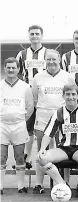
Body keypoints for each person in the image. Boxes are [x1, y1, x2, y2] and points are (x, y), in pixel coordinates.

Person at [36, 84, 78, 198]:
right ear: (63, 96)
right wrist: (42, 149)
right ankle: (62, 185)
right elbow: (48, 133)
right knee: (42, 158)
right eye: (67, 94)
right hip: (63, 149)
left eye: (73, 94)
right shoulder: (58, 112)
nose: (70, 97)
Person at [31, 49, 76, 194]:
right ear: (45, 60)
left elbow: (73, 96)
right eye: (48, 59)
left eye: (53, 59)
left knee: (64, 150)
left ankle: (65, 182)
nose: (51, 62)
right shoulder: (38, 77)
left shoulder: (67, 77)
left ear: (59, 60)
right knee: (41, 151)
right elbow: (35, 98)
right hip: (43, 118)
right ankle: (39, 184)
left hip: (63, 118)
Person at [0, 58, 34, 194]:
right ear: (4, 68)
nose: (11, 70)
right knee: (1, 157)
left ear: (18, 69)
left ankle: (21, 186)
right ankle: (0, 186)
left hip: (19, 125)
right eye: (8, 67)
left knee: (19, 156)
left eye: (13, 67)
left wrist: (20, 119)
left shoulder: (25, 87)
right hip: (2, 125)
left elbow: (30, 107)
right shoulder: (0, 85)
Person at [16, 25, 48, 169]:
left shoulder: (47, 53)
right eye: (32, 34)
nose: (35, 36)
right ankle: (27, 157)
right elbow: (18, 74)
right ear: (29, 36)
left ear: (42, 36)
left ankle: (46, 156)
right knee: (27, 127)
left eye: (37, 34)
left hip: (43, 96)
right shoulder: (22, 54)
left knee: (45, 128)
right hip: (27, 95)